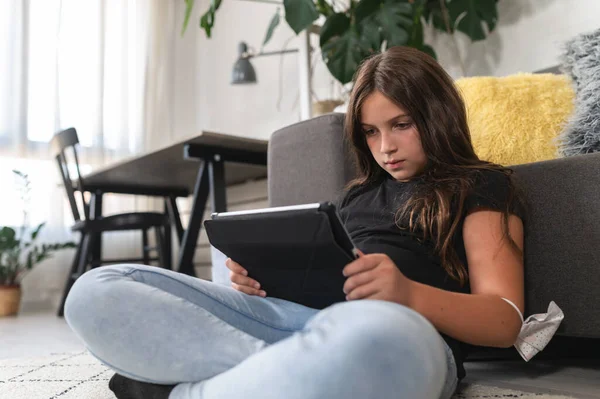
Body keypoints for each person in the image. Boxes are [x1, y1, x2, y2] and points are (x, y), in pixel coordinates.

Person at [64, 46, 526, 399]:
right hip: (296, 323)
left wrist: (406, 293)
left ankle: (187, 388)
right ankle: (283, 375)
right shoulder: (357, 196)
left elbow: (505, 320)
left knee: (381, 338)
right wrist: (262, 279)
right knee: (96, 291)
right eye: (370, 131)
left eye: (401, 124)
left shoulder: (480, 185)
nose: (384, 147)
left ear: (438, 116)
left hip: (398, 334)